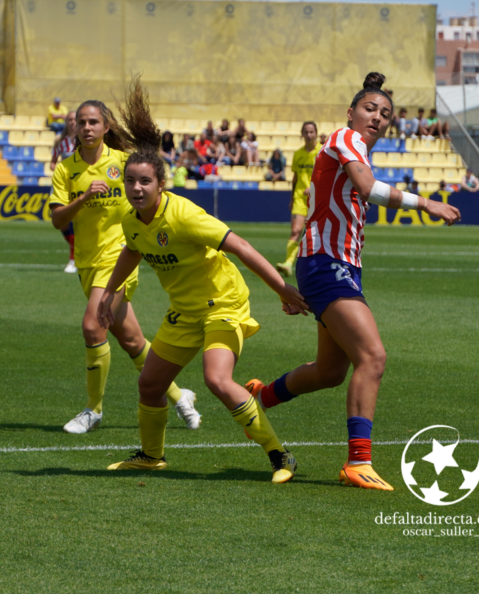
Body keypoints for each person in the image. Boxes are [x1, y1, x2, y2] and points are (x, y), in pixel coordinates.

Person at [244, 72, 461, 491]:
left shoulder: (353, 148)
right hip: (326, 264)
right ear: (351, 112)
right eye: (369, 109)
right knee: (373, 357)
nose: (377, 117)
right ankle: (358, 462)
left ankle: (260, 397)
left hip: (333, 263)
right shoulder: (346, 138)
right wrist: (427, 203)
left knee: (329, 371)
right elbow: (368, 188)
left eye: (385, 114)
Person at [99, 76, 307, 482]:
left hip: (224, 303)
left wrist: (282, 288)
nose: (137, 188)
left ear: (162, 184)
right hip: (185, 310)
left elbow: (241, 246)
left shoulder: (185, 215)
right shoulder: (132, 220)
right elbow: (132, 249)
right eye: (130, 181)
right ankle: (151, 456)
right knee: (150, 383)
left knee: (216, 379)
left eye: (145, 182)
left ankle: (280, 456)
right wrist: (110, 292)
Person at [49, 98, 200, 434]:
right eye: (81, 122)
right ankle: (179, 396)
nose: (87, 128)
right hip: (88, 263)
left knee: (92, 325)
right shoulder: (66, 168)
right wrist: (83, 198)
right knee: (132, 341)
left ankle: (93, 410)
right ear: (74, 126)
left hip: (121, 258)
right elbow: (57, 218)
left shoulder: (123, 163)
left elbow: (153, 194)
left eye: (93, 122)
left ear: (106, 127)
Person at [276, 122, 320, 276]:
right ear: (302, 134)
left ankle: (316, 266)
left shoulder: (322, 152)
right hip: (300, 198)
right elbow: (295, 178)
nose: (309, 135)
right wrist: (291, 198)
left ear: (316, 133)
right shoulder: (298, 154)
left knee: (316, 233)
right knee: (295, 230)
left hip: (318, 198)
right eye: (306, 132)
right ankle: (288, 263)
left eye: (311, 132)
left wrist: (314, 188)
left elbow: (328, 175)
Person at [49, 110, 79, 273]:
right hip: (62, 185)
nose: (73, 122)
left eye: (75, 119)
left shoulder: (85, 141)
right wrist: (59, 169)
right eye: (70, 120)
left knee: (76, 221)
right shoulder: (60, 141)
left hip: (79, 185)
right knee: (60, 221)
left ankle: (73, 260)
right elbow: (52, 163)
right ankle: (78, 250)